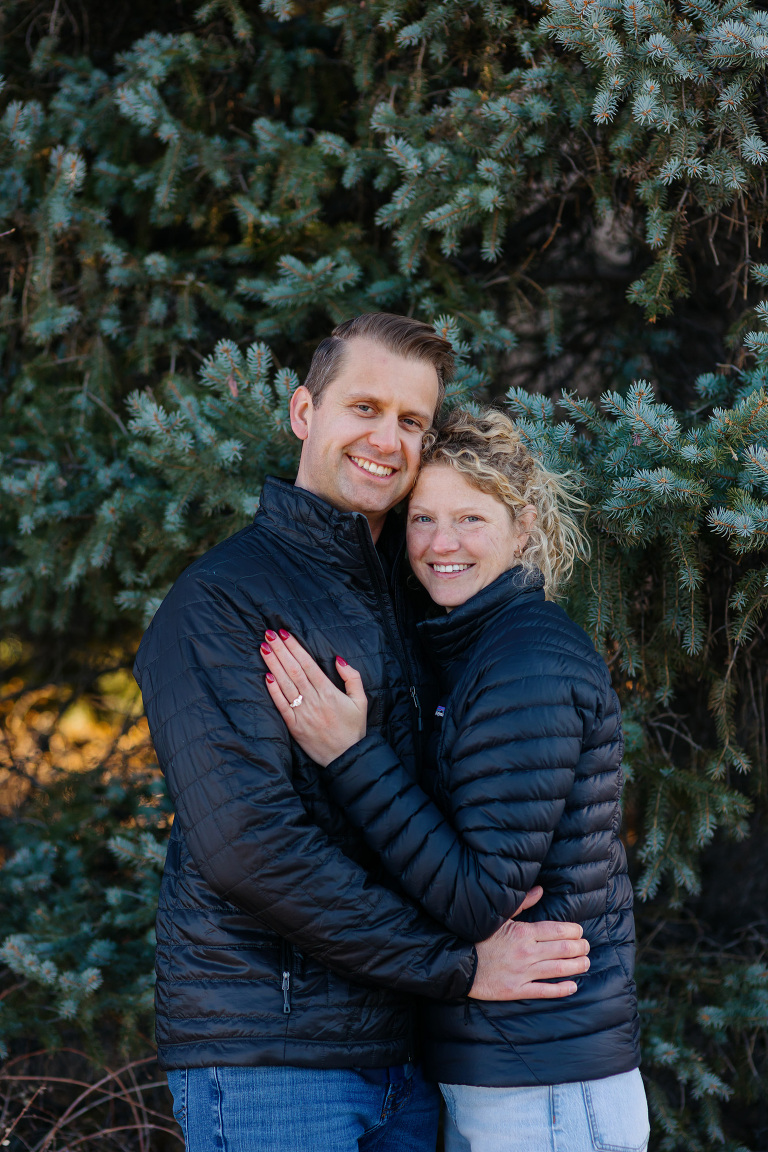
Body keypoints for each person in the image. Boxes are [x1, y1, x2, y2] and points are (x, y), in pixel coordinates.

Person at [133, 316, 591, 1152]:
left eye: (412, 421)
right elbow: (249, 844)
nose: (388, 440)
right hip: (274, 1057)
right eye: (365, 407)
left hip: (403, 1057)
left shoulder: (419, 592)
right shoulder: (222, 602)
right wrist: (457, 967)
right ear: (305, 412)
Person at [261, 406, 649, 1152]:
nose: (442, 544)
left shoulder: (526, 661)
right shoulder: (468, 651)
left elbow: (478, 898)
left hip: (546, 1078)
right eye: (423, 519)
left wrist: (350, 754)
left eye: (471, 518)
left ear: (523, 526)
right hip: (501, 1065)